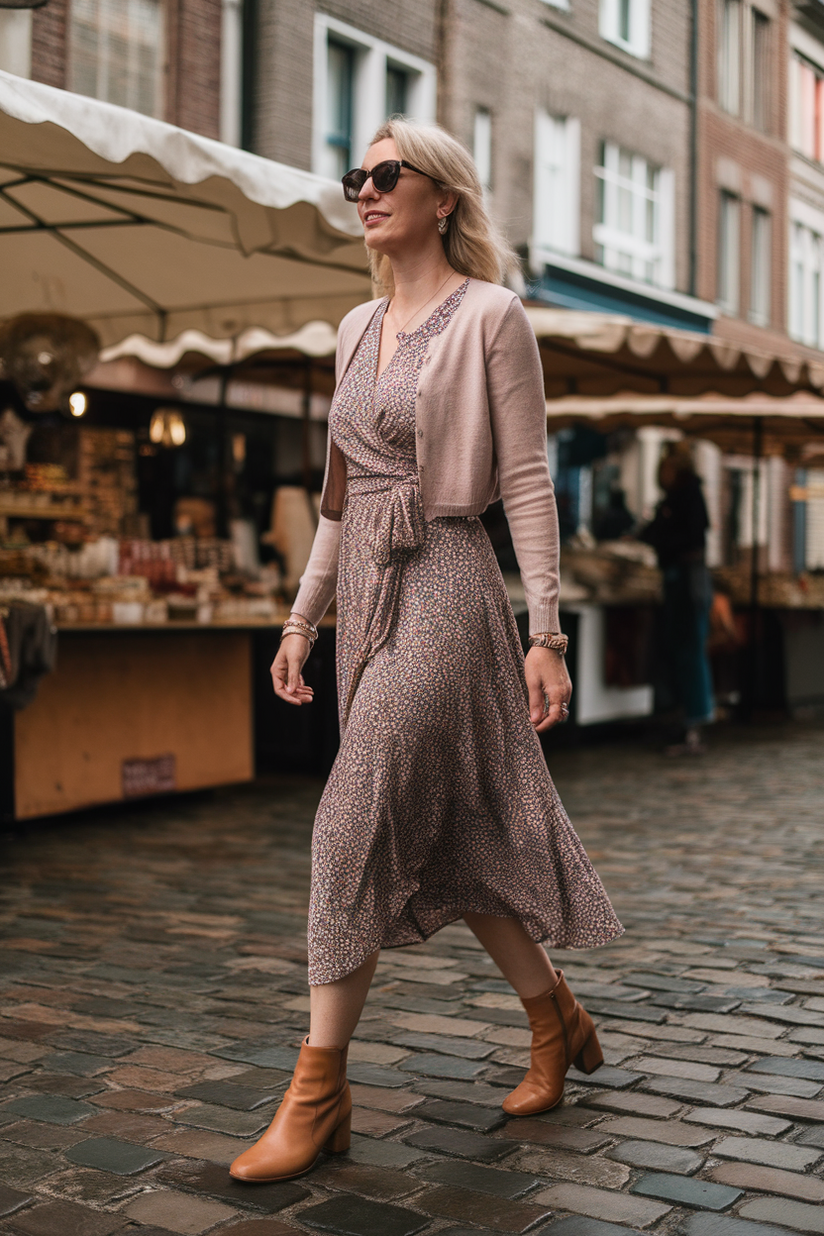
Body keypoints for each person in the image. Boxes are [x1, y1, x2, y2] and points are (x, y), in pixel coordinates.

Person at [229, 119, 623, 1185]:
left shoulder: (492, 316)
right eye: (355, 175)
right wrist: (300, 620)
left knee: (350, 816)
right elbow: (336, 502)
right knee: (450, 828)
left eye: (384, 174)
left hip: (448, 581)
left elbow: (528, 481)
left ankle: (318, 1093)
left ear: (441, 197)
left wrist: (543, 629)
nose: (362, 189)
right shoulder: (353, 327)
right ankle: (554, 1020)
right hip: (363, 591)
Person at [641, 442, 714, 754]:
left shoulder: (688, 496)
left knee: (688, 651)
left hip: (687, 581)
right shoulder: (675, 498)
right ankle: (686, 718)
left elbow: (694, 538)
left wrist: (662, 538)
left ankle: (694, 723)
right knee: (679, 650)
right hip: (677, 580)